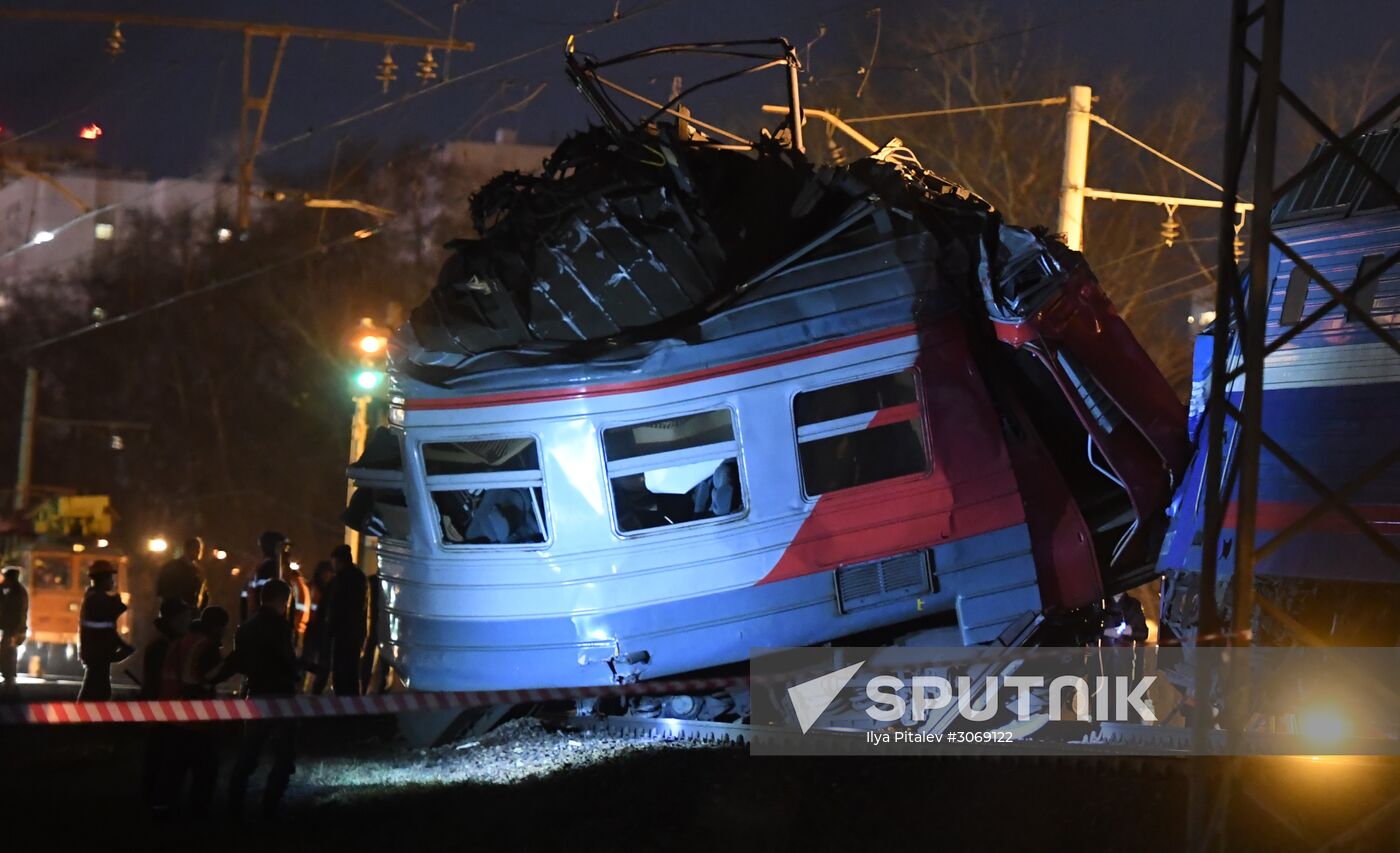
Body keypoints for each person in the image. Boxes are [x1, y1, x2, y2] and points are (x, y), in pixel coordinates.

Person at [211, 580, 299, 820]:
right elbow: (286, 659)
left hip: (255, 693)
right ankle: (270, 808)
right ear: (282, 600)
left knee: (249, 752)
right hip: (280, 694)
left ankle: (234, 806)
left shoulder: (247, 626)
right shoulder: (281, 627)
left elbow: (238, 660)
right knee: (284, 755)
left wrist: (212, 678)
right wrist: (298, 673)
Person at [167, 606, 229, 817]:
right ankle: (198, 813)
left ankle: (167, 809)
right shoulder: (208, 646)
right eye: (223, 628)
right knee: (205, 768)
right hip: (198, 715)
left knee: (176, 767)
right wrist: (231, 664)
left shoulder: (184, 640)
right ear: (217, 627)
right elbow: (209, 677)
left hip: (176, 714)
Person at [140, 598, 192, 815]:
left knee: (160, 756)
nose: (187, 622)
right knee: (162, 757)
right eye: (183, 618)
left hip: (164, 710)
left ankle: (154, 799)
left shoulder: (165, 642)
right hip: (163, 711)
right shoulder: (163, 646)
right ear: (173, 619)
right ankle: (157, 801)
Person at [77, 560, 134, 701]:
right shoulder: (97, 600)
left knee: (95, 692)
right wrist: (123, 648)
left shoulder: (93, 598)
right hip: (98, 655)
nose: (112, 581)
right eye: (110, 578)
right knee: (97, 694)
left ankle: (82, 719)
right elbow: (106, 628)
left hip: (96, 654)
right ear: (103, 579)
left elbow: (107, 626)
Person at [324, 545, 367, 697]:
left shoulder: (340, 580)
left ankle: (343, 705)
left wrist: (329, 630)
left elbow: (336, 608)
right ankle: (352, 705)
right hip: (355, 632)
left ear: (340, 561)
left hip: (342, 633)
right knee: (351, 671)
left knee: (341, 672)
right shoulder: (359, 577)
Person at [240, 530, 289, 623]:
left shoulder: (261, 567)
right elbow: (267, 598)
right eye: (284, 547)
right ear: (275, 547)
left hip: (253, 620)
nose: (286, 552)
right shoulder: (270, 568)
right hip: (263, 623)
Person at [305, 560, 334, 695]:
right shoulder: (315, 587)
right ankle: (306, 689)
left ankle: (311, 690)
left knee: (316, 662)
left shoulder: (323, 588)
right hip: (312, 628)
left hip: (318, 629)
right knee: (310, 661)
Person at [156, 537, 209, 610]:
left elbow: (201, 592)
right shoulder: (173, 567)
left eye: (199, 549)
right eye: (196, 549)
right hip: (174, 611)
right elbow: (162, 588)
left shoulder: (198, 571)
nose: (198, 552)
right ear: (188, 549)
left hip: (191, 611)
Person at [0, 566, 28, 697]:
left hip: (13, 629)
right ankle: (9, 680)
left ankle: (9, 683)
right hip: (13, 629)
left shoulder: (16, 593)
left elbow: (15, 613)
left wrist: (18, 631)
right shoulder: (15, 591)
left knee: (8, 653)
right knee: (7, 653)